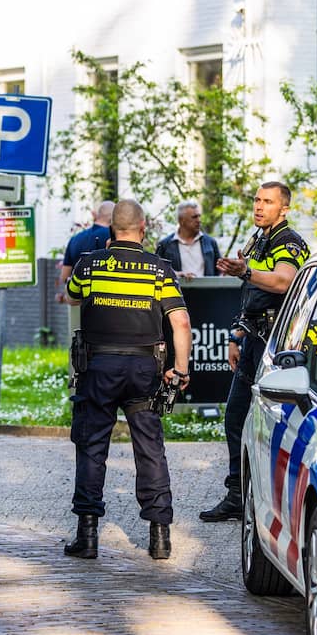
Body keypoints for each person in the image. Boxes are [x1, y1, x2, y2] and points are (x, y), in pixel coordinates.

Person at [64, 199, 192, 560]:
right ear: (143, 227)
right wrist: (180, 369)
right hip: (144, 370)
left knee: (92, 447)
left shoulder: (89, 266)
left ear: (110, 231)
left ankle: (87, 537)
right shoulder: (159, 270)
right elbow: (180, 321)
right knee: (150, 448)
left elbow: (72, 298)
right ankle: (160, 538)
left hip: (98, 367)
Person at [200, 182, 308, 522]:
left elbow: (282, 282)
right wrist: (236, 333)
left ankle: (267, 500)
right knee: (234, 416)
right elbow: (253, 293)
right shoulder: (259, 238)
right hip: (252, 340)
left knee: (270, 424)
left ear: (284, 208)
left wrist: (246, 270)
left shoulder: (289, 242)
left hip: (275, 347)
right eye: (257, 200)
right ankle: (237, 494)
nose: (259, 207)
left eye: (268, 202)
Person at [57, 201, 114, 304]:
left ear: (98, 215)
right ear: (113, 218)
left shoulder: (75, 239)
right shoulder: (113, 237)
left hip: (77, 304)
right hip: (104, 305)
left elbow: (65, 276)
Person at [155, 201, 219, 280]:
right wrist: (175, 274)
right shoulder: (165, 245)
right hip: (176, 291)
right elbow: (156, 271)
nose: (199, 220)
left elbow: (220, 271)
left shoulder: (210, 243)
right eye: (194, 217)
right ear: (181, 220)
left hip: (208, 291)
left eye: (199, 216)